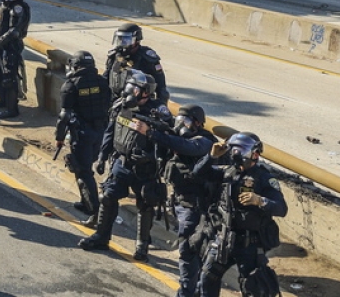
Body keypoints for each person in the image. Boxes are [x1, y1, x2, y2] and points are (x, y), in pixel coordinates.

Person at [79, 70, 174, 260]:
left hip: (145, 168)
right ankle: (101, 237)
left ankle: (142, 246)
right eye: (129, 87)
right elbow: (110, 132)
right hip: (121, 163)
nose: (129, 91)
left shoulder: (158, 112)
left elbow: (169, 137)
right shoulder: (120, 106)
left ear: (146, 92)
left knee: (145, 205)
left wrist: (151, 131)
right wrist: (102, 157)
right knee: (107, 196)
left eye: (135, 89)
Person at [192, 132, 287, 297]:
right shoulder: (227, 173)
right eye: (233, 149)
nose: (236, 154)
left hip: (249, 244)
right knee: (207, 278)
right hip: (224, 239)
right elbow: (198, 173)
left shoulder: (264, 178)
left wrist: (260, 201)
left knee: (253, 286)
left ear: (254, 154)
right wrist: (211, 156)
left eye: (240, 150)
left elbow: (281, 208)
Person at [155, 105, 216, 297]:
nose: (181, 125)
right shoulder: (178, 139)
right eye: (179, 120)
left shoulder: (205, 142)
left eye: (186, 121)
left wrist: (155, 134)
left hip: (196, 208)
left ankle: (187, 293)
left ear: (198, 124)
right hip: (181, 203)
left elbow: (187, 147)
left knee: (188, 252)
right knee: (193, 253)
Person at [54, 50, 111, 222]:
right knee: (86, 165)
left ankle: (95, 212)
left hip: (82, 134)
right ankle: (85, 202)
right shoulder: (102, 82)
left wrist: (59, 137)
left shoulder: (71, 86)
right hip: (100, 133)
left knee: (82, 172)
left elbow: (64, 116)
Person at [0, 0, 30, 118]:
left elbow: (14, 31)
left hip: (10, 47)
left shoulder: (19, 8)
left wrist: (0, 42)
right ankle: (2, 101)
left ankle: (12, 109)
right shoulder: (2, 6)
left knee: (9, 78)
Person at [104, 23, 168, 103]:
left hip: (137, 103)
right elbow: (105, 79)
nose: (122, 43)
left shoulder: (147, 58)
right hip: (114, 101)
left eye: (126, 40)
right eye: (120, 39)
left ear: (137, 40)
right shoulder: (114, 56)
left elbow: (161, 88)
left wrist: (161, 107)